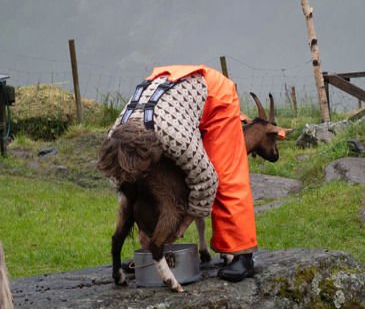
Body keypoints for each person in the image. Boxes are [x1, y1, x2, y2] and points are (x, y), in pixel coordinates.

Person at [111, 64, 260, 281]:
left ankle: (241, 255)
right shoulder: (115, 138)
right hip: (170, 87)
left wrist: (181, 225)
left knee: (224, 173)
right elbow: (124, 182)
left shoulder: (174, 138)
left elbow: (206, 178)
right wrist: (144, 228)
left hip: (216, 96)